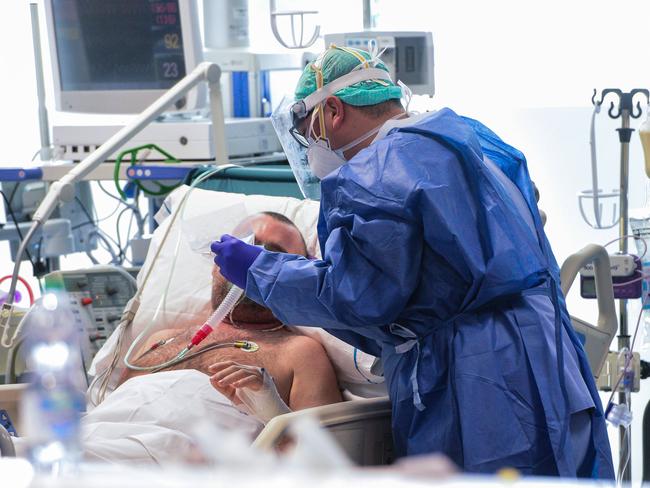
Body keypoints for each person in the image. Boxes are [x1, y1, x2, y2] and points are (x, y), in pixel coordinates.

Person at [210, 46, 615, 478]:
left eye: (310, 133)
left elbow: (356, 296)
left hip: (477, 382)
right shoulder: (472, 140)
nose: (312, 149)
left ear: (333, 110)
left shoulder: (374, 175)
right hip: (546, 350)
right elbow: (411, 293)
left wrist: (261, 269)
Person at [79, 212, 342, 463]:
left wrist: (270, 408)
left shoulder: (299, 352)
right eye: (243, 247)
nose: (252, 260)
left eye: (272, 255)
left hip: (165, 463)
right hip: (92, 441)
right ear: (216, 263)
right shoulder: (161, 339)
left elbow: (320, 463)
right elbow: (111, 410)